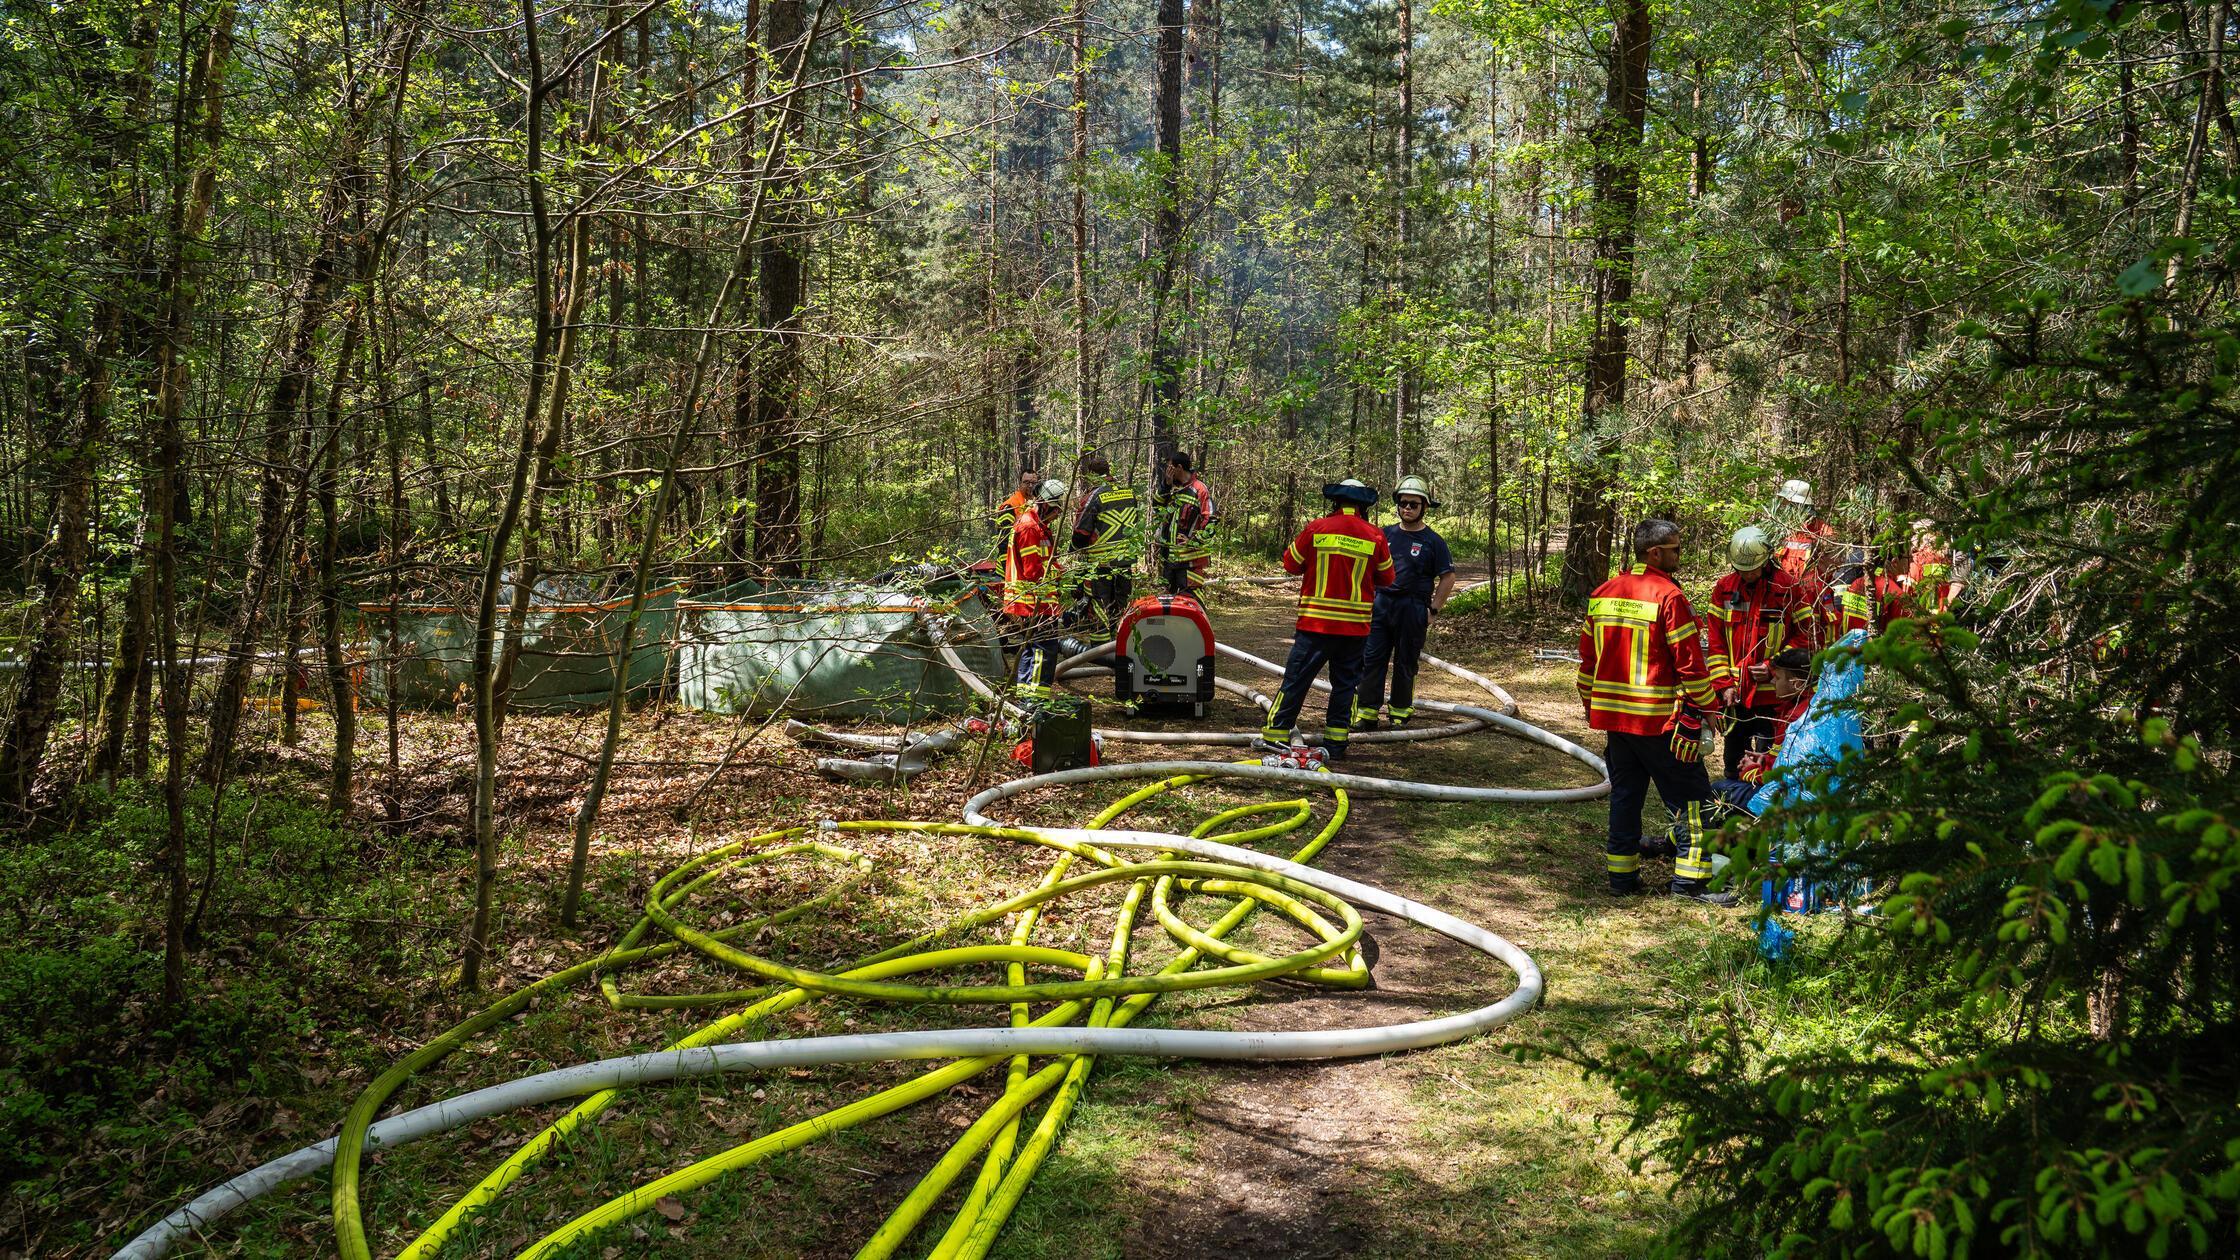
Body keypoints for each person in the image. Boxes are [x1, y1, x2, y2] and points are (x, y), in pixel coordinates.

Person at [1576, 518, 1733, 904]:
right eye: (1676, 549)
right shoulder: (1668, 597)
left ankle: (1621, 878)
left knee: (1625, 798)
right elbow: (1691, 666)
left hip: (1616, 721)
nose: (1680, 555)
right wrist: (1709, 708)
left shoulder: (1603, 593)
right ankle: (1691, 882)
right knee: (1692, 799)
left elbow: (1586, 662)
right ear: (1655, 553)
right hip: (1660, 722)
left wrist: (1590, 706)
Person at [1258, 478, 1394, 761]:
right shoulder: (1375, 536)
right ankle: (1336, 743)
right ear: (1363, 507)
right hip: (1354, 629)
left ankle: (1275, 736)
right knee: (1345, 684)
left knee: (1296, 680)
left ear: (1336, 502)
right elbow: (1387, 577)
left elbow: (1290, 563)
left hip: (1315, 624)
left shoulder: (1316, 528)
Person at [1704, 525, 1816, 778]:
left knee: (1768, 761)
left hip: (1774, 699)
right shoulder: (1725, 588)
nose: (1747, 575)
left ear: (1766, 561)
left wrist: (1773, 666)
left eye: (1752, 569)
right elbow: (1716, 642)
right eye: (1741, 570)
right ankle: (1733, 806)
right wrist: (1723, 685)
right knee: (1733, 760)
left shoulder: (1788, 588)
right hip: (1736, 697)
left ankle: (1762, 812)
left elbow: (1806, 635)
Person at [1354, 475, 1456, 729]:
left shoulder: (1433, 542)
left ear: (1424, 507)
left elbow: (1448, 576)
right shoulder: (1384, 534)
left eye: (1413, 504)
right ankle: (1366, 712)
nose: (1407, 508)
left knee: (1405, 661)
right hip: (1381, 606)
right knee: (1372, 658)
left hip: (1413, 609)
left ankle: (1399, 712)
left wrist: (1433, 609)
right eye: (1403, 503)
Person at [1002, 478, 1070, 692]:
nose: (1058, 515)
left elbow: (1045, 558)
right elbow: (1032, 571)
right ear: (1046, 504)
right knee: (1044, 650)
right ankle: (1035, 701)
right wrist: (1058, 573)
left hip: (1035, 601)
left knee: (1031, 649)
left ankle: (1026, 695)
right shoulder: (1030, 527)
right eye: (1056, 509)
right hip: (1034, 602)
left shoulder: (1037, 525)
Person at [1069, 453, 1143, 632]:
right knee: (1121, 602)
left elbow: (1081, 532)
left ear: (1092, 475)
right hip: (1125, 561)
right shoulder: (1129, 493)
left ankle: (1100, 648)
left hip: (1102, 562)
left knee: (1100, 604)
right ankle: (1121, 640)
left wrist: (1072, 549)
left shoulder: (1094, 497)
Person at [1156, 449, 1214, 594]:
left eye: (1170, 467)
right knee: (1167, 605)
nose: (1167, 471)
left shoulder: (1199, 489)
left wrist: (1193, 540)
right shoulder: (1171, 487)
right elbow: (1157, 507)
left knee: (1189, 602)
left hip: (1190, 561)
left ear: (1179, 468)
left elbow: (1211, 520)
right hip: (1169, 558)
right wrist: (1166, 485)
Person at [1840, 538, 1914, 636]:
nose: (1911, 562)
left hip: (1850, 648)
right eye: (1909, 558)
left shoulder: (1855, 584)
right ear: (1895, 562)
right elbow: (1907, 636)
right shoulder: (1896, 594)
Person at [992, 468, 1041, 544]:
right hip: (1014, 553)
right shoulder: (1010, 505)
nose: (1031, 486)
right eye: (1027, 482)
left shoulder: (1037, 505)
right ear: (1020, 484)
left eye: (1034, 483)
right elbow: (1004, 540)